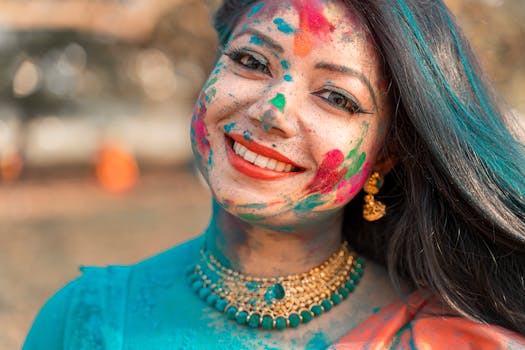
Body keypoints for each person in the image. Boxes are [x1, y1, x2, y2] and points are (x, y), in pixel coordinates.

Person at [24, 0, 525, 349]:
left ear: (386, 156)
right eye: (251, 60)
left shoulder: (454, 341)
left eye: (337, 97)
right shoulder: (84, 321)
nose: (272, 110)